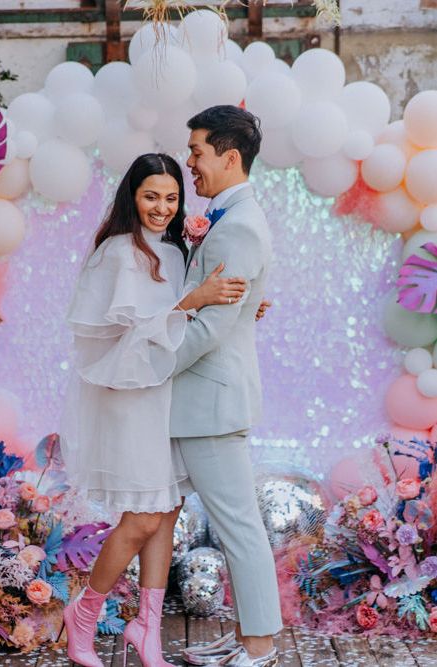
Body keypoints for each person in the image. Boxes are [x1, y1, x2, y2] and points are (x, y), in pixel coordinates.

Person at [59, 153, 249, 667]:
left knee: (165, 511)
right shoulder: (119, 253)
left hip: (165, 395)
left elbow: (177, 329)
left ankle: (146, 627)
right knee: (142, 516)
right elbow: (119, 336)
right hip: (129, 397)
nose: (162, 207)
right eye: (151, 196)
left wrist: (220, 302)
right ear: (132, 197)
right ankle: (84, 613)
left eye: (171, 197)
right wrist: (192, 302)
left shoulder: (172, 251)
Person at [173, 106, 282, 667]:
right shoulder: (230, 216)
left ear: (229, 156)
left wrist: (149, 364)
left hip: (209, 400)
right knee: (159, 508)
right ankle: (247, 637)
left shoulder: (237, 224)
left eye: (196, 152)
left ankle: (259, 647)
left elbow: (212, 328)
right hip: (201, 400)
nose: (190, 162)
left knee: (239, 526)